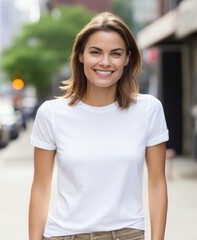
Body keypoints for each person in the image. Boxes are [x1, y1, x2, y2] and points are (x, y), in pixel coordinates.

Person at [29, 12, 169, 240]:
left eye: (115, 54)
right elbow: (40, 188)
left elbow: (157, 184)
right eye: (96, 52)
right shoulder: (51, 114)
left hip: (126, 234)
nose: (105, 62)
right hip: (65, 235)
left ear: (127, 59)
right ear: (81, 55)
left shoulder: (148, 110)